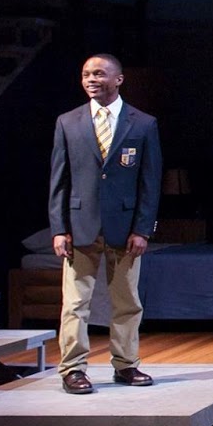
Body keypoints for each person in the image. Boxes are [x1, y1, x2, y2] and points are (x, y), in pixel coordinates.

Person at [48, 54, 162, 394]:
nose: (91, 79)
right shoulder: (68, 122)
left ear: (118, 79)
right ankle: (72, 369)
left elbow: (149, 182)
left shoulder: (142, 124)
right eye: (86, 74)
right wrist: (58, 227)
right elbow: (59, 180)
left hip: (125, 229)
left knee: (127, 301)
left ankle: (126, 365)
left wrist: (143, 229)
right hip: (80, 225)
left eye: (99, 73)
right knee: (75, 302)